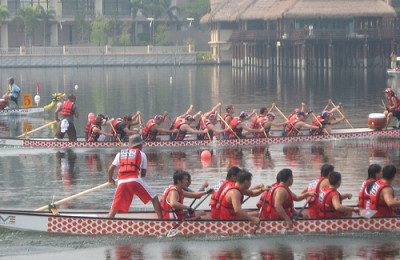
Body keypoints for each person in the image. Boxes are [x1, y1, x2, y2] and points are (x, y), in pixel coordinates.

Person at [107, 134, 162, 218]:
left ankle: (108, 221)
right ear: (139, 144)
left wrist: (110, 179)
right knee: (154, 198)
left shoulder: (120, 154)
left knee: (115, 206)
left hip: (121, 181)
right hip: (134, 180)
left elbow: (110, 169)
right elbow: (143, 174)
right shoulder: (141, 154)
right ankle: (161, 221)